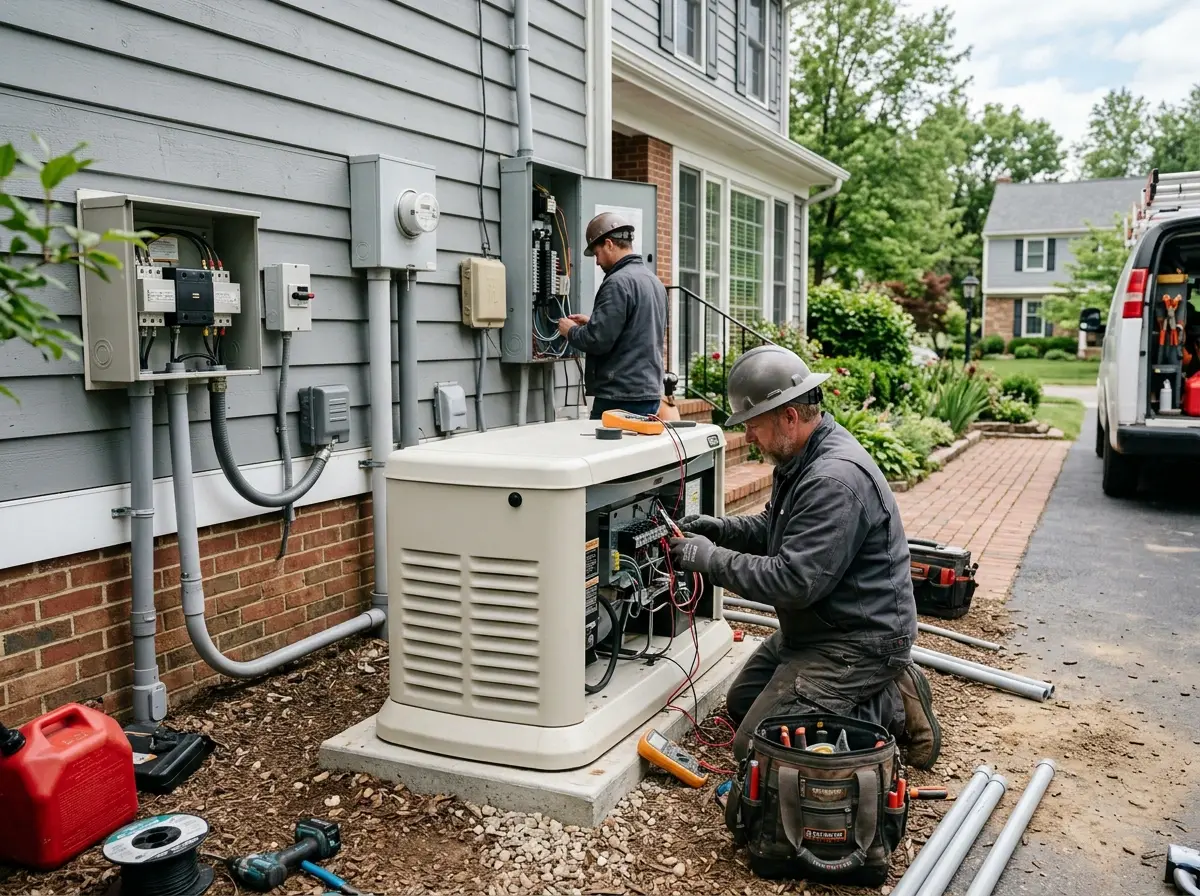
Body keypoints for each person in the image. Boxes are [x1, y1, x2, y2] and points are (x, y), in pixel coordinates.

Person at [666, 344, 941, 770]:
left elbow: (793, 582)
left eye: (753, 425)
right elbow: (775, 528)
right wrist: (720, 529)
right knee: (742, 702)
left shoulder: (833, 479)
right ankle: (863, 692)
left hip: (858, 642)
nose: (748, 437)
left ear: (789, 416)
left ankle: (894, 702)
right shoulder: (800, 456)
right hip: (817, 630)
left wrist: (708, 559)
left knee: (756, 748)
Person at [557, 212, 667, 420]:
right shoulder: (653, 281)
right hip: (648, 392)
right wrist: (592, 323)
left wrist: (570, 331)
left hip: (620, 395)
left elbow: (597, 340)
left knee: (604, 441)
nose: (597, 262)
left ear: (609, 244)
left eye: (596, 253)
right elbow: (637, 329)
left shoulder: (617, 282)